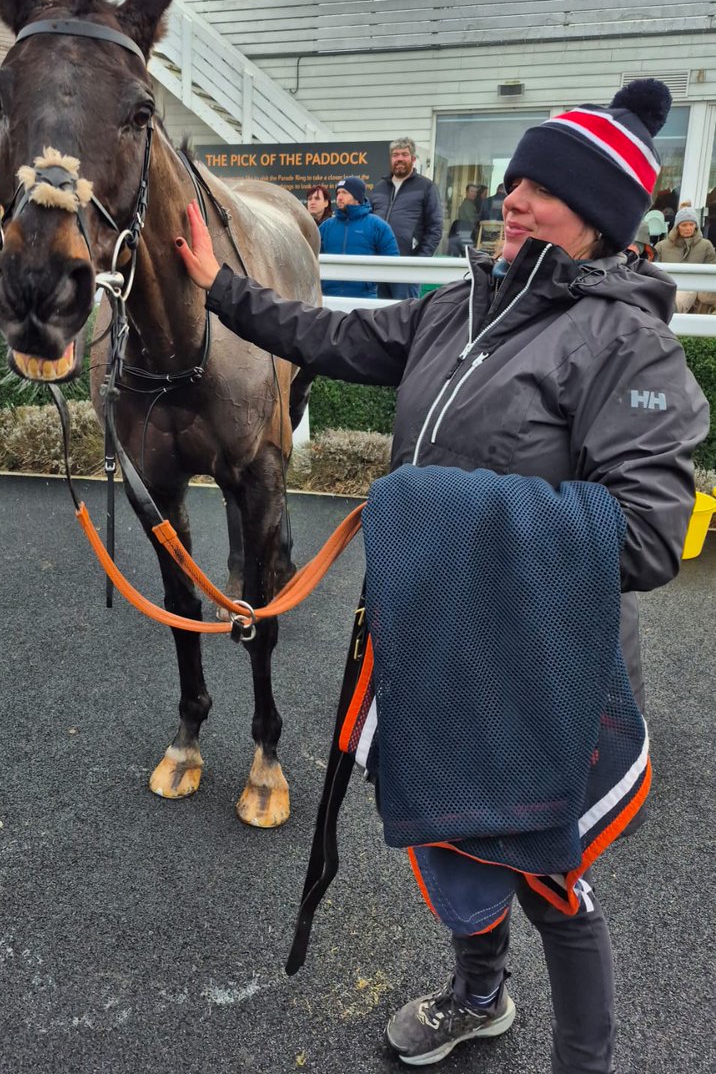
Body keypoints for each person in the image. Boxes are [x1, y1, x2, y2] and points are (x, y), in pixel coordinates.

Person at [174, 79, 709, 1074]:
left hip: (541, 665)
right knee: (445, 842)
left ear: (598, 221)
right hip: (437, 642)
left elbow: (645, 539)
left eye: (543, 190)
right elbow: (320, 336)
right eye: (514, 181)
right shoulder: (452, 310)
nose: (513, 198)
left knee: (547, 880)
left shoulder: (626, 346)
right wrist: (216, 286)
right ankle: (476, 996)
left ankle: (582, 1059)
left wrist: (428, 508)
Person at [369, 138, 443, 299]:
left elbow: (435, 228)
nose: (400, 158)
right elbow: (369, 222)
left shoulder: (426, 187)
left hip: (407, 267)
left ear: (413, 159)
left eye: (404, 154)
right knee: (376, 317)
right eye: (395, 155)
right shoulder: (378, 188)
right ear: (391, 159)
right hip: (378, 265)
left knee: (405, 318)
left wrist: (419, 261)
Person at [318, 176, 399, 298]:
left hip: (364, 300)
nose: (339, 197)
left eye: (344, 193)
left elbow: (393, 263)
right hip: (329, 299)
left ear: (357, 197)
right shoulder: (326, 227)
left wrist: (370, 283)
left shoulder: (378, 226)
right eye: (338, 193)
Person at [654, 205, 716, 313]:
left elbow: (712, 271)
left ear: (695, 226)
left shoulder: (706, 245)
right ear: (677, 226)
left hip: (696, 289)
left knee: (690, 291)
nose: (688, 228)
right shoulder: (661, 246)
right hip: (667, 286)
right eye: (684, 225)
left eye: (691, 224)